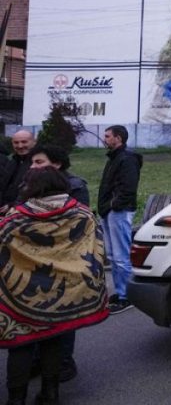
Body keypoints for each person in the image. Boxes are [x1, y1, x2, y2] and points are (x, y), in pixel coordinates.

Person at [1, 167, 108, 405]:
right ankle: (51, 394)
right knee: (54, 341)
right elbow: (95, 251)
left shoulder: (14, 220)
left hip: (21, 296)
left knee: (20, 345)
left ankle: (16, 399)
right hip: (65, 293)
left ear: (32, 187)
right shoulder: (83, 215)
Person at [26, 144, 90, 382]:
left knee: (63, 316)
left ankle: (63, 362)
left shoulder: (75, 187)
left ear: (57, 164)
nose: (33, 166)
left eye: (39, 162)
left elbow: (79, 228)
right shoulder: (30, 185)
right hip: (35, 265)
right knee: (34, 316)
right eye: (33, 162)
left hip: (65, 265)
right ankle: (37, 362)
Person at [98, 125, 142, 314]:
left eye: (108, 136)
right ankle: (120, 291)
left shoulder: (127, 159)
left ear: (118, 138)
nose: (104, 138)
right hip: (109, 212)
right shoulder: (114, 158)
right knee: (113, 256)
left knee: (121, 257)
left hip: (119, 212)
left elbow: (128, 189)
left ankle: (128, 296)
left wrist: (113, 205)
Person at [1, 130, 35, 211]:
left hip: (22, 211)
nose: (20, 146)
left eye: (24, 142)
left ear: (34, 142)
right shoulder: (12, 162)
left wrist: (12, 205)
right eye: (16, 143)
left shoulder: (38, 163)